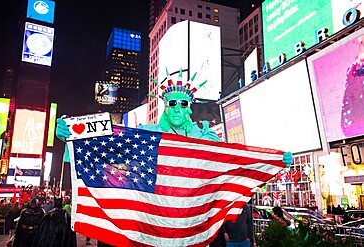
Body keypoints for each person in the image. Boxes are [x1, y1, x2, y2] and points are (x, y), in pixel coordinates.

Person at [56, 68, 293, 246]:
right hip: (153, 231)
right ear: (165, 107)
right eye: (172, 103)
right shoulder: (147, 136)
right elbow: (106, 150)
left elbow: (233, 162)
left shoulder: (207, 138)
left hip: (195, 230)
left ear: (190, 106)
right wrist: (71, 137)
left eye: (183, 103)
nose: (178, 108)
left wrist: (272, 161)